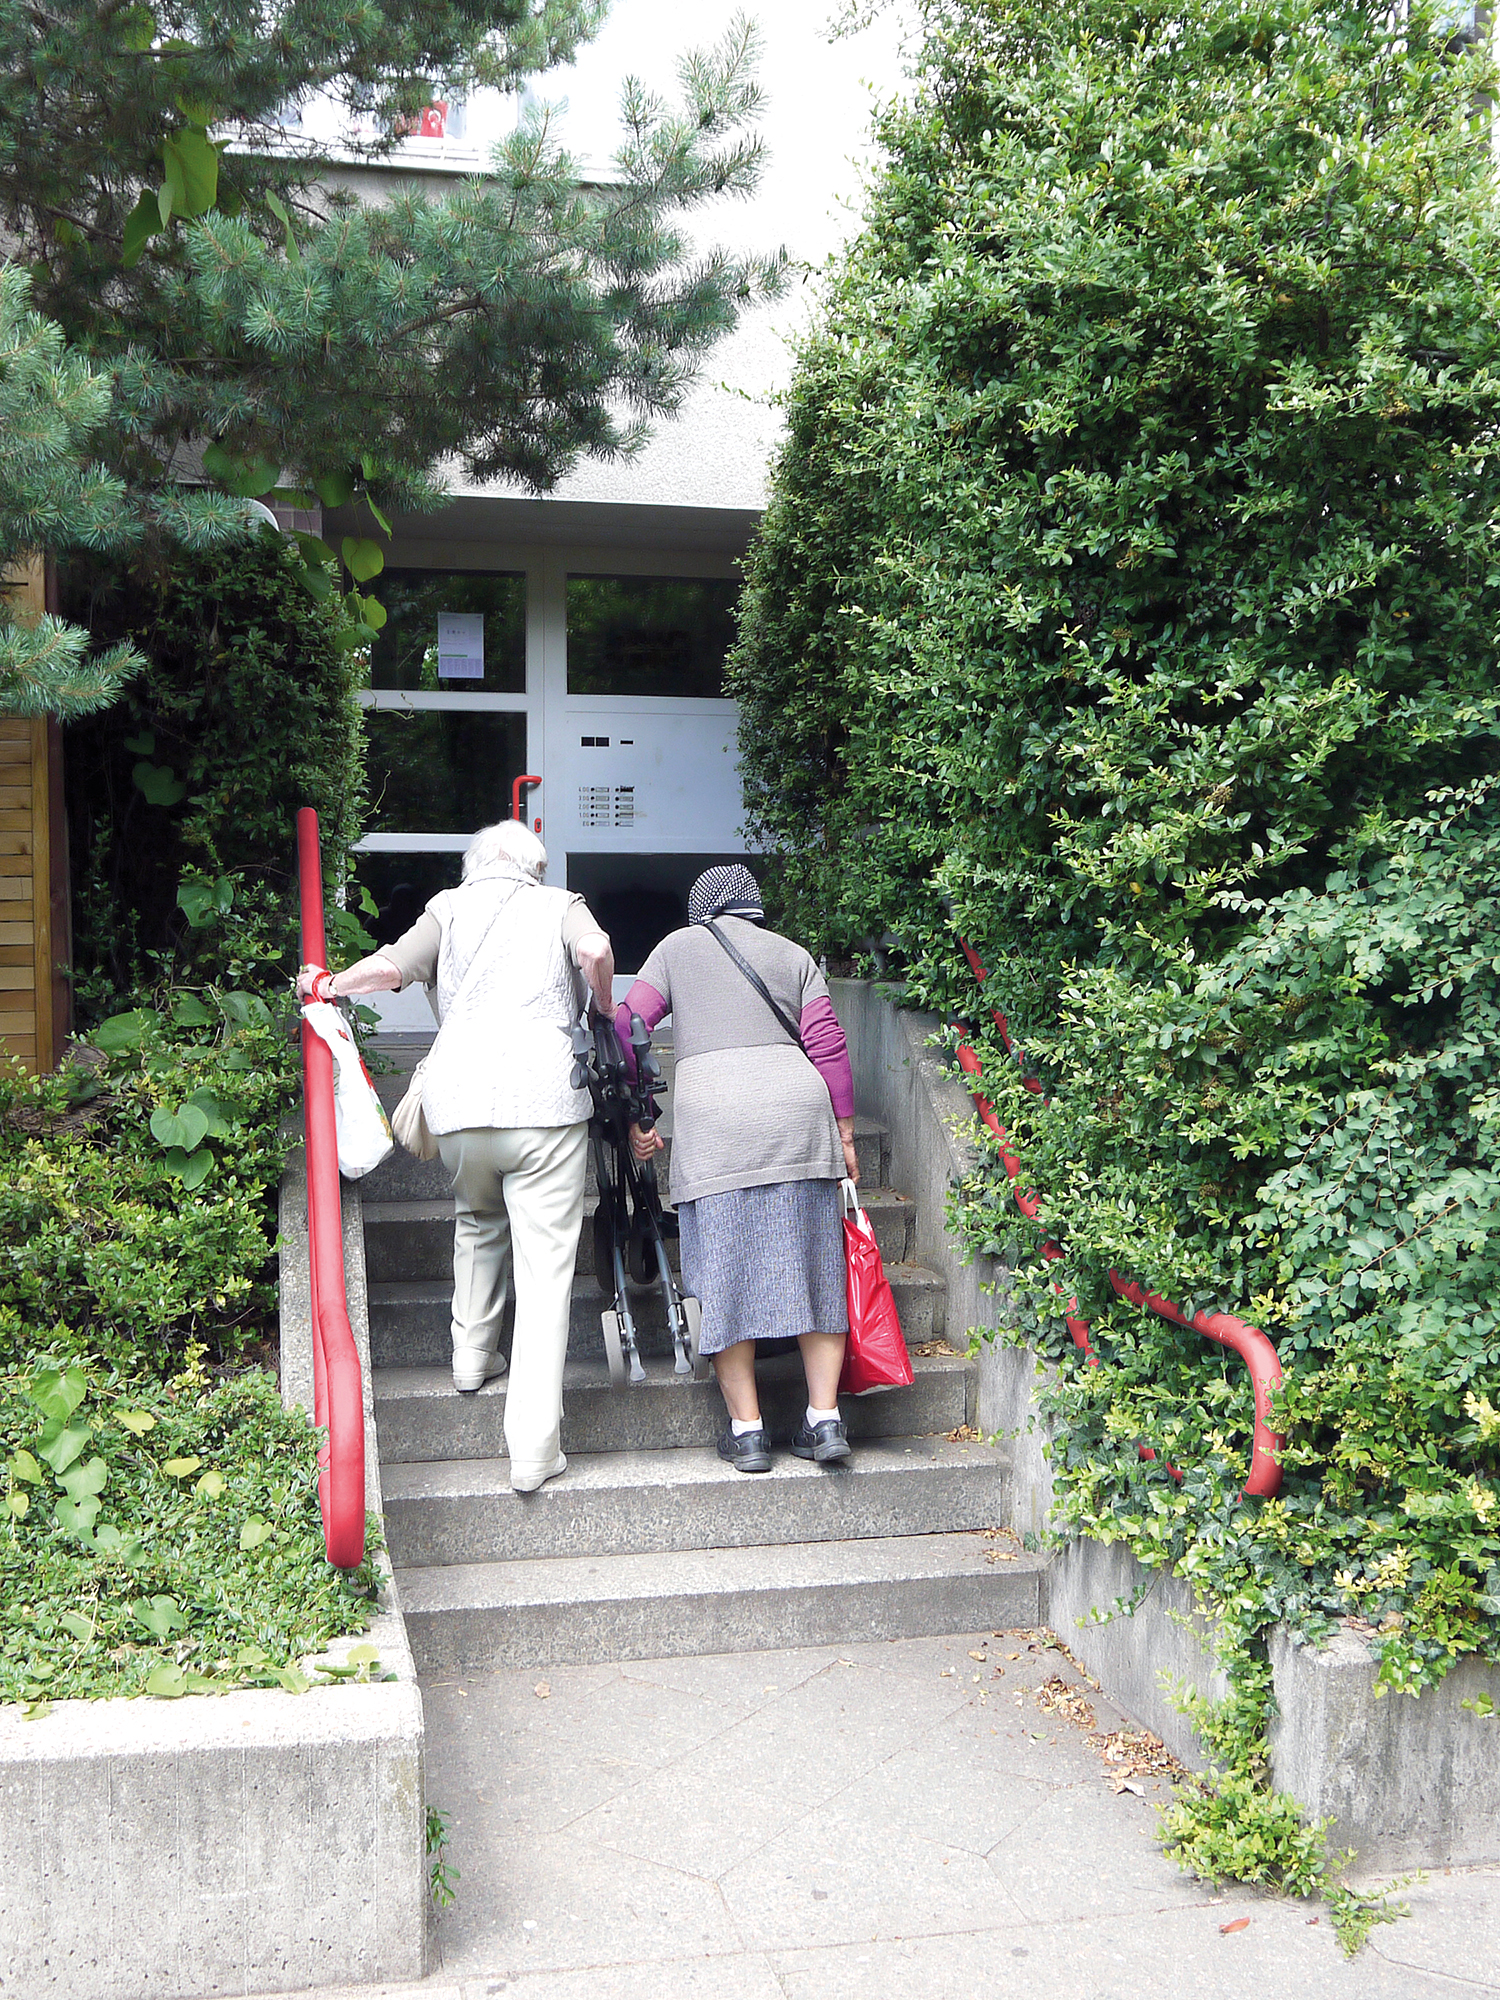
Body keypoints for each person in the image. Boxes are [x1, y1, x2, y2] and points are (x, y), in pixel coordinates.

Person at [296, 820, 613, 1493]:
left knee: (477, 1218)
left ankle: (471, 1356)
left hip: (461, 1106)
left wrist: (327, 986)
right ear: (536, 865)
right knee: (547, 1271)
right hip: (546, 1108)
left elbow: (388, 967)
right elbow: (596, 950)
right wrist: (602, 1004)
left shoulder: (446, 906)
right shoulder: (560, 903)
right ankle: (532, 1451)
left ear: (477, 864)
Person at [617, 864, 858, 1471]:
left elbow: (628, 1025)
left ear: (701, 909)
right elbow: (826, 1042)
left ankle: (748, 1433)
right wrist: (846, 1132)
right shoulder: (793, 954)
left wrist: (641, 1114)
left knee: (720, 1270)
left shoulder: (675, 949)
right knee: (816, 1267)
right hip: (798, 1118)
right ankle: (824, 1421)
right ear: (754, 909)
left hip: (716, 1124)